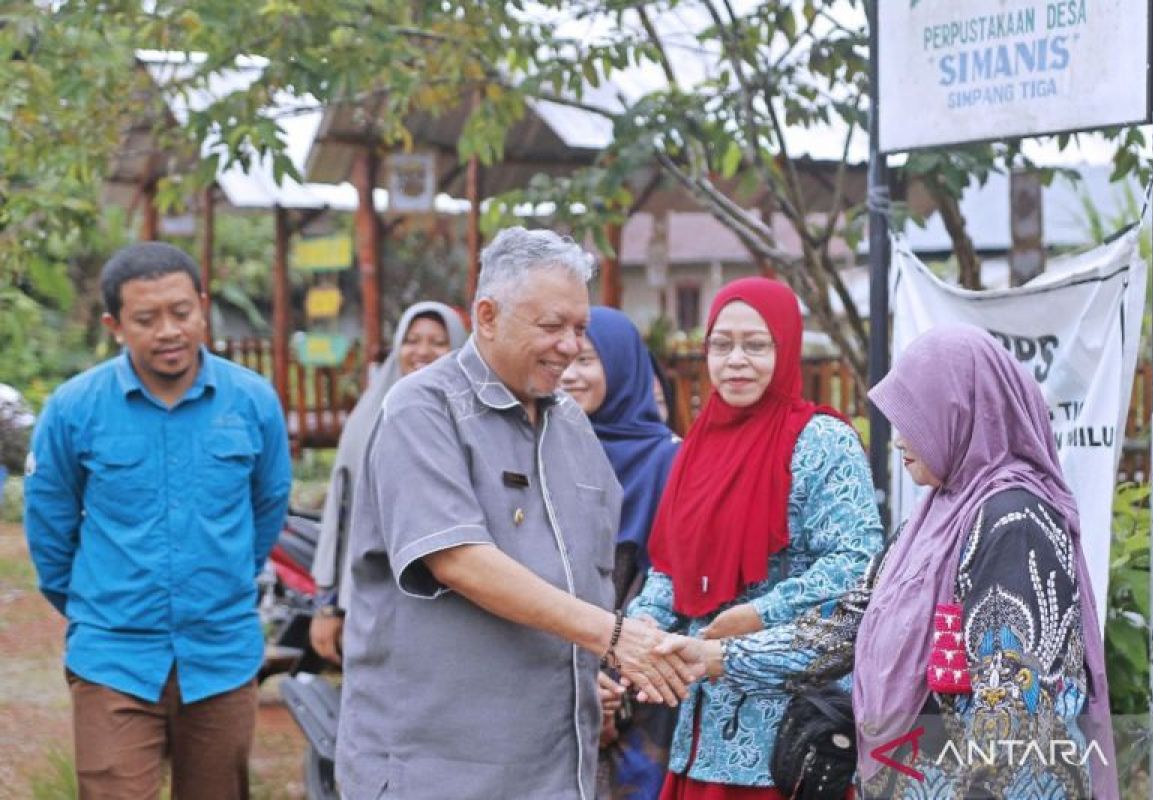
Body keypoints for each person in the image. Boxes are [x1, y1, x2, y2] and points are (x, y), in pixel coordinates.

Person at [336, 227, 704, 800]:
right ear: (487, 316)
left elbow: (591, 575)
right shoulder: (423, 409)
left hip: (557, 764)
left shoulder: (573, 427)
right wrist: (611, 635)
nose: (570, 346)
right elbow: (460, 560)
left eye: (579, 329)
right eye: (551, 326)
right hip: (440, 769)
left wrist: (609, 662)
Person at [23, 241, 292, 800]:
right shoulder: (75, 409)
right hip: (114, 657)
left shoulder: (252, 402)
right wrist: (97, 607)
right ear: (115, 325)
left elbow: (268, 505)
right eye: (146, 319)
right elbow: (49, 528)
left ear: (201, 305)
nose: (168, 331)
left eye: (181, 313)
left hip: (220, 654)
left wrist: (222, 581)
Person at [627, 277, 882, 798]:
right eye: (722, 345)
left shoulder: (821, 441)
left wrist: (760, 613)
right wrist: (642, 627)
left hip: (793, 738)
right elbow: (672, 565)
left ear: (784, 348)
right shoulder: (697, 446)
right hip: (702, 731)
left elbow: (855, 565)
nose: (736, 360)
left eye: (756, 345)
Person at [852, 324, 1117, 798]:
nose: (897, 440)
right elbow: (852, 617)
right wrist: (719, 656)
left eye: (916, 419)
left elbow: (1009, 718)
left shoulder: (1013, 521)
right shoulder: (939, 513)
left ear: (963, 414)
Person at [561, 306, 682, 800]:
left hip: (642, 688)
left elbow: (671, 582)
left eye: (586, 360)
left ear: (624, 366)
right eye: (562, 358)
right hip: (552, 679)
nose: (569, 374)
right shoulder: (540, 450)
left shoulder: (668, 461)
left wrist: (613, 689)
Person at [308, 301, 467, 663]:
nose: (422, 351)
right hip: (371, 595)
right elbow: (341, 509)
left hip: (449, 601)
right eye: (411, 340)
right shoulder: (369, 413)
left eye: (438, 342)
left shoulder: (472, 416)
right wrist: (327, 604)